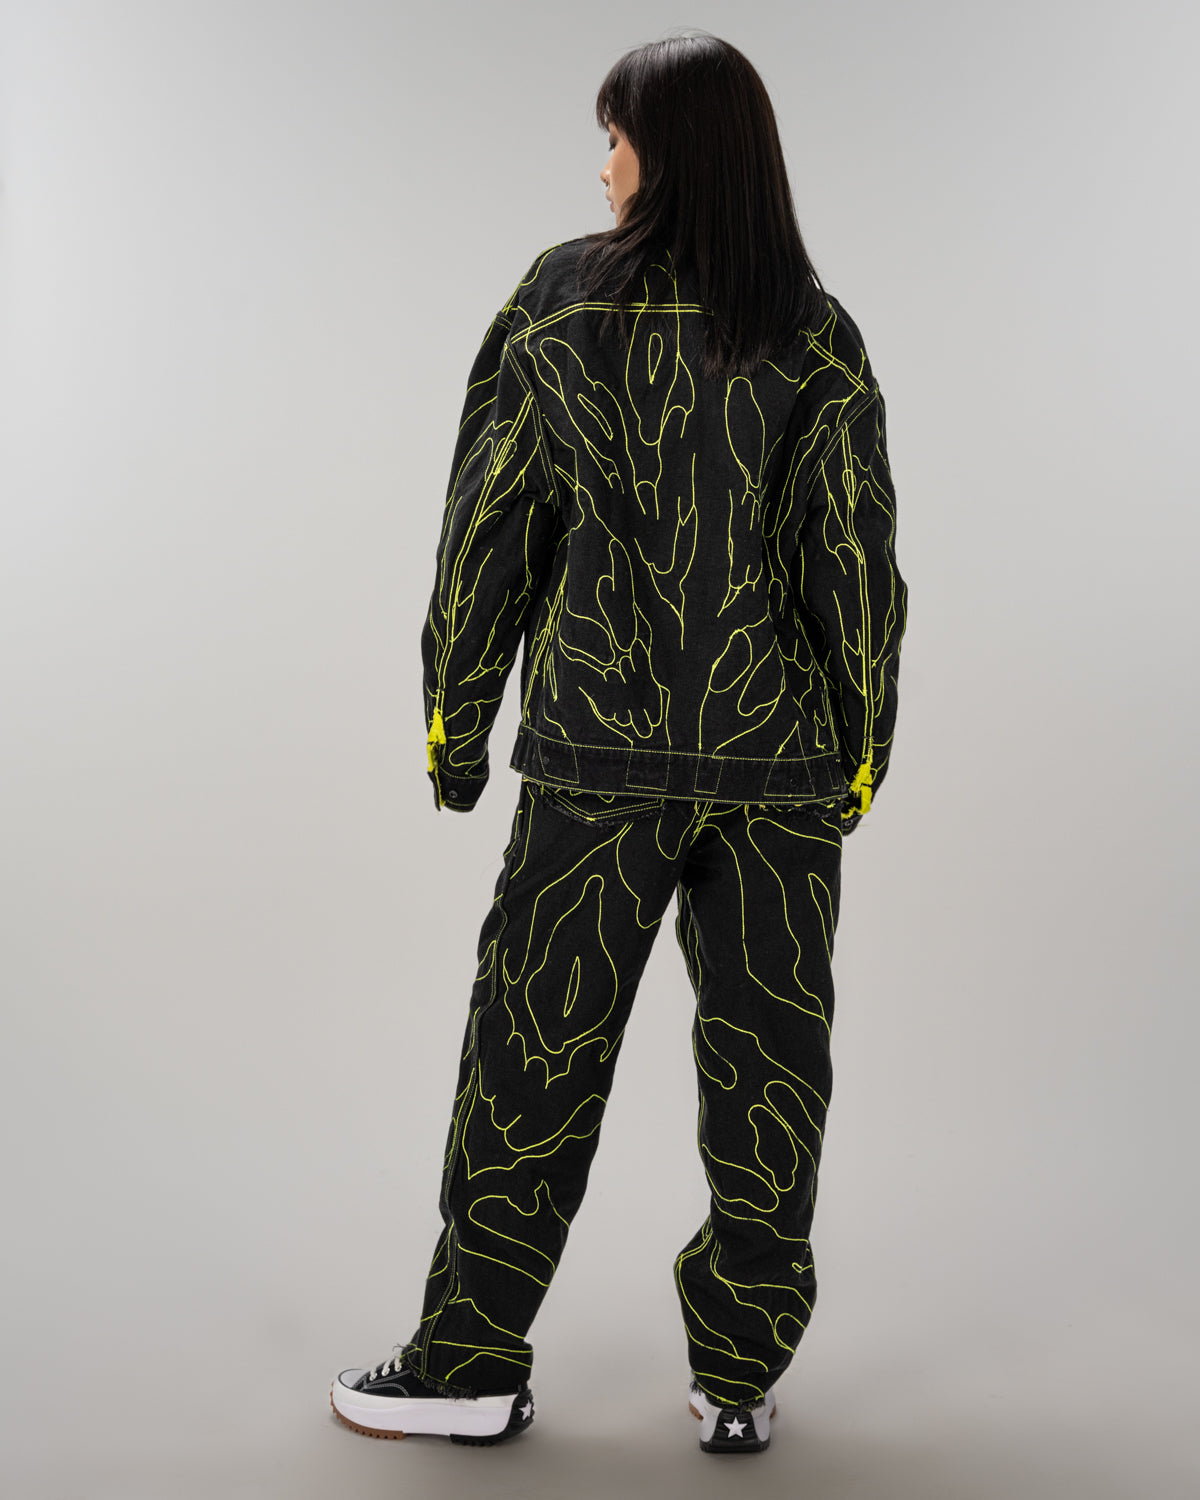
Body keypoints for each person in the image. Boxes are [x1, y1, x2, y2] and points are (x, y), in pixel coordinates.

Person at [330, 29, 908, 1456]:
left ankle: (467, 1364)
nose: (603, 167)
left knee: (530, 1061)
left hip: (597, 763)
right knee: (772, 1077)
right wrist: (859, 747)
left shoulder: (561, 301)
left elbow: (491, 521)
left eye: (616, 136)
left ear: (673, 150)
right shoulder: (814, 329)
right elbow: (854, 556)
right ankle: (738, 1377)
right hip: (777, 774)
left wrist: (457, 720)